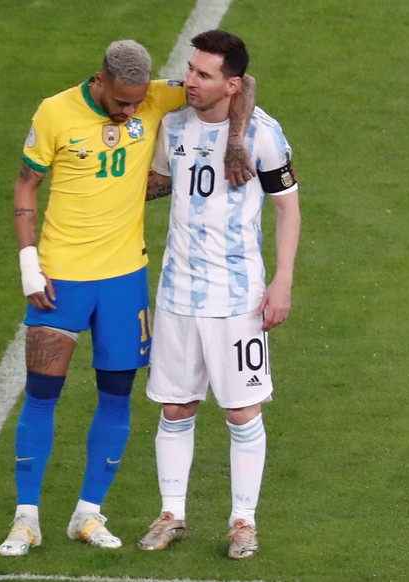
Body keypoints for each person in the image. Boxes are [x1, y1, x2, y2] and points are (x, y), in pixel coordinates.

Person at [0, 39, 256, 558]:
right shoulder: (54, 113)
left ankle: (88, 514)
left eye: (139, 102)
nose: (132, 111)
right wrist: (29, 264)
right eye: (122, 102)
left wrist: (235, 141)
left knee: (116, 397)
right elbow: (27, 186)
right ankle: (26, 518)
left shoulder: (156, 98)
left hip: (124, 281)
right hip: (61, 278)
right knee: (42, 394)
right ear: (100, 80)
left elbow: (243, 84)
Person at [137, 30, 300, 560]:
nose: (191, 81)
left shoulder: (264, 135)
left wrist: (282, 281)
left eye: (204, 75)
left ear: (232, 84)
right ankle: (171, 513)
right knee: (176, 408)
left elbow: (288, 210)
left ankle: (242, 523)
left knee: (241, 412)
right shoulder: (174, 125)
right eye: (191, 70)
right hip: (178, 293)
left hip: (236, 298)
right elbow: (160, 183)